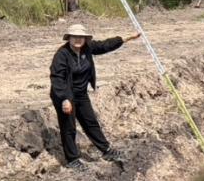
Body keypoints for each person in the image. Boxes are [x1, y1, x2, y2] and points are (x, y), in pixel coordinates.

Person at [50, 23, 140, 172]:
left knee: (90, 121)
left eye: (81, 37)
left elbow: (105, 45)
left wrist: (126, 38)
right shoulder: (62, 54)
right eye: (75, 37)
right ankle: (72, 159)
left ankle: (106, 150)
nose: (78, 39)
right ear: (69, 38)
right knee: (69, 126)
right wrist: (65, 99)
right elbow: (57, 78)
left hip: (81, 93)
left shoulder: (87, 48)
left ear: (85, 38)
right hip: (64, 94)